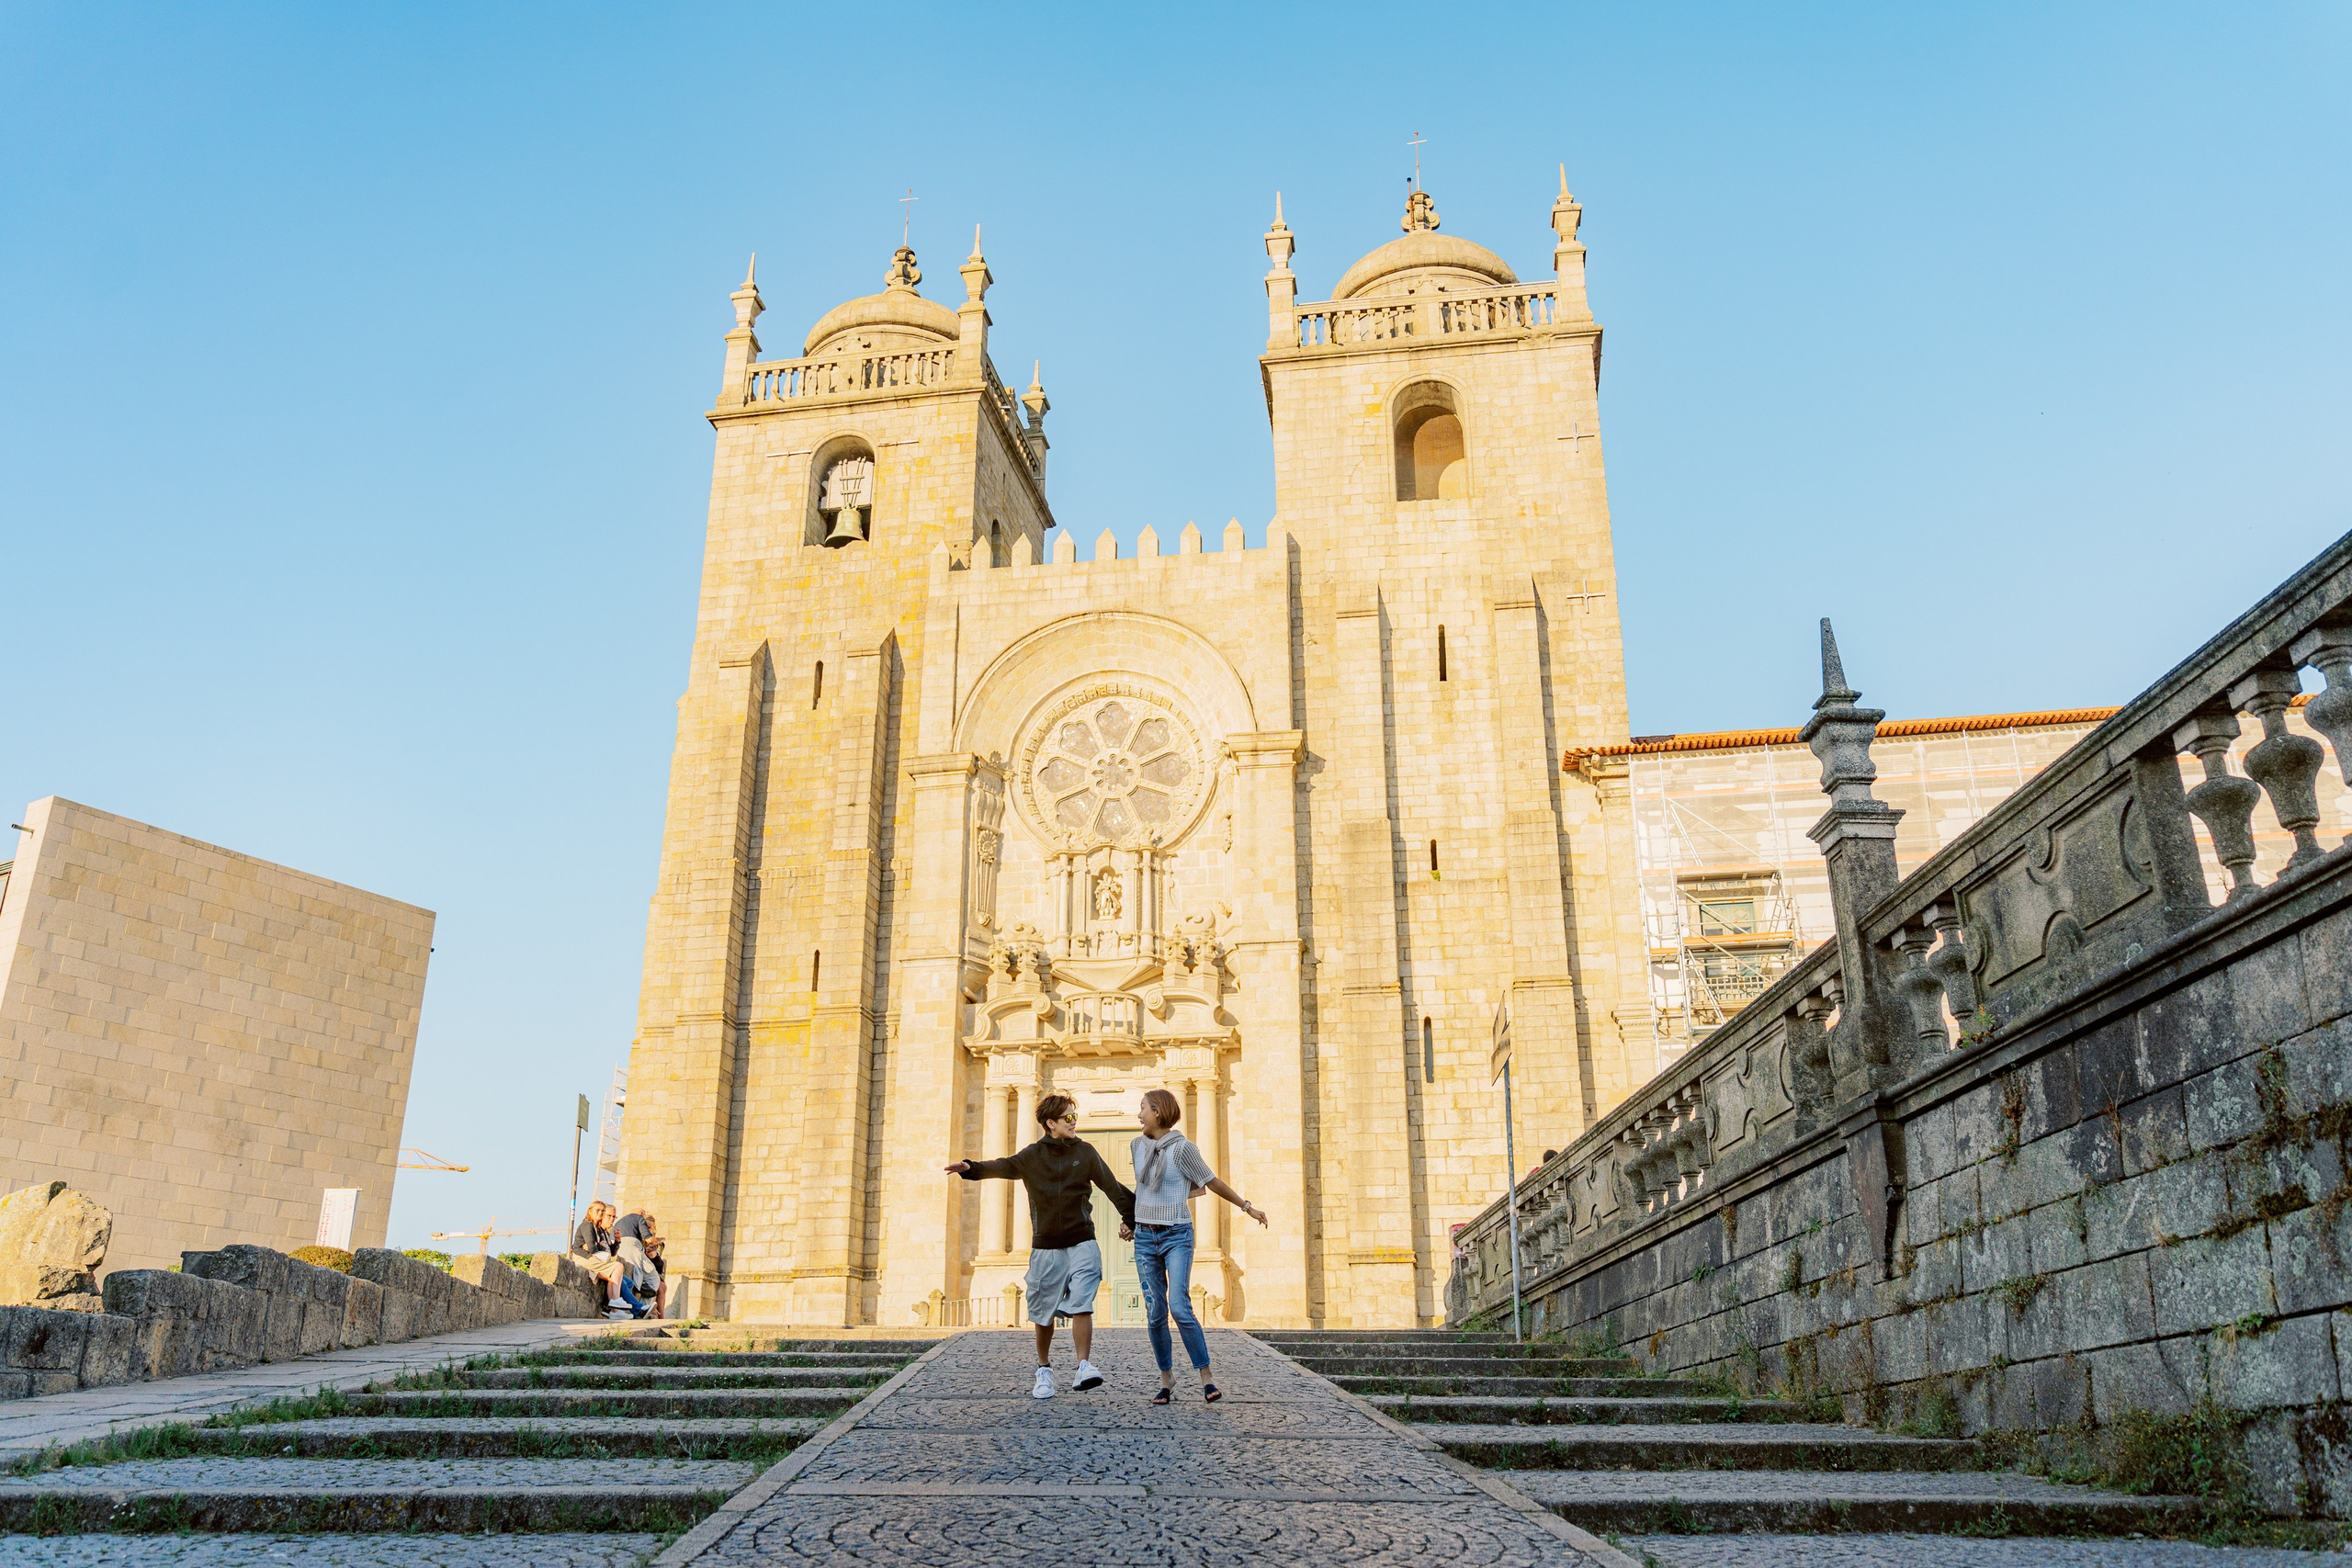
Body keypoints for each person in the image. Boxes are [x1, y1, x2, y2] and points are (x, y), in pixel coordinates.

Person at [946, 1093, 1136, 1399]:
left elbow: (1112, 1187)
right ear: (1051, 1123)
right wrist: (971, 1168)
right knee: (1043, 1312)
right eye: (1068, 1118)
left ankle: (1084, 1365)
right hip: (1046, 1247)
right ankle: (1044, 1369)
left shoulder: (1086, 1152)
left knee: (1083, 1301)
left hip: (1082, 1241)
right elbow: (1003, 1166)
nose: (1074, 1122)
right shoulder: (1032, 1156)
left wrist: (1133, 1219)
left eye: (1075, 1116)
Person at [1127, 1087, 1266, 1404]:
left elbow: (1211, 1181)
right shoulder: (1136, 1146)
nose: (1139, 1115)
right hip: (1145, 1237)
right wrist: (1129, 1220)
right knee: (1155, 1311)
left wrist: (1247, 1207)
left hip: (1177, 1235)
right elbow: (1142, 1190)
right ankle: (1167, 1378)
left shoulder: (1183, 1149)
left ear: (1157, 1112)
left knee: (1179, 1306)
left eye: (1143, 1108)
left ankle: (1206, 1378)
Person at [569, 1201, 642, 1317]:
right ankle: (624, 1306)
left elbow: (609, 1252)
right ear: (590, 1211)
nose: (601, 1213)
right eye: (598, 1211)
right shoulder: (589, 1225)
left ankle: (614, 1310)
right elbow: (592, 1248)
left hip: (594, 1258)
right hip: (585, 1258)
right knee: (618, 1268)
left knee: (628, 1282)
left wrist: (617, 1242)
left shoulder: (601, 1231)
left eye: (602, 1211)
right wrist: (598, 1246)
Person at [614, 1204, 660, 1314]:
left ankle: (639, 1308)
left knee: (631, 1281)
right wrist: (657, 1242)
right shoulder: (639, 1218)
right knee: (652, 1278)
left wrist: (645, 1249)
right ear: (641, 1213)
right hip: (632, 1250)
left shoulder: (619, 1221)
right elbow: (649, 1238)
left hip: (620, 1249)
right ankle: (643, 1309)